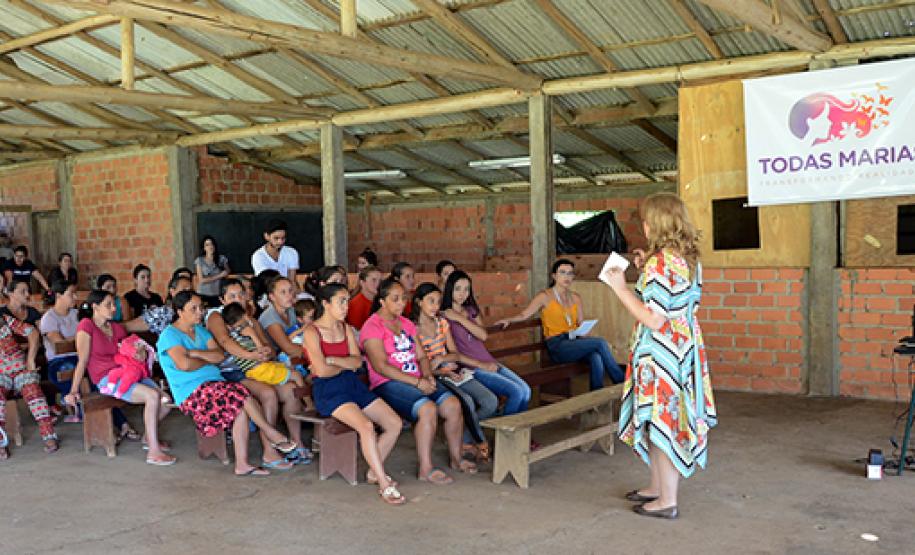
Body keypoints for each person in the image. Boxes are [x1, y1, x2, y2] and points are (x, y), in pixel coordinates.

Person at [602, 193, 717, 520]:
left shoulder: (661, 262)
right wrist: (643, 270)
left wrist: (620, 287)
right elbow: (670, 303)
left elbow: (653, 318)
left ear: (655, 223)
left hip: (661, 355)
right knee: (662, 419)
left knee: (662, 421)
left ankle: (667, 500)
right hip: (683, 349)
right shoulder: (687, 258)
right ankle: (657, 487)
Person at [158, 291, 298, 476]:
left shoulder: (200, 330)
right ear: (179, 311)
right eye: (194, 308)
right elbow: (184, 365)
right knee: (240, 394)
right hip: (192, 392)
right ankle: (271, 433)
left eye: (201, 308)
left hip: (216, 386)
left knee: (240, 407)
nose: (200, 312)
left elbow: (219, 356)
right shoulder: (170, 335)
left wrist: (196, 354)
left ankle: (242, 465)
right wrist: (202, 358)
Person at [302, 284, 405, 505]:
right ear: (325, 304)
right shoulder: (312, 332)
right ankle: (383, 483)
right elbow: (321, 371)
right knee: (366, 427)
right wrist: (340, 364)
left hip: (352, 385)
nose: (346, 306)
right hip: (329, 390)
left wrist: (332, 360)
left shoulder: (346, 328)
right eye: (341, 301)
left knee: (394, 423)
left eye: (347, 301)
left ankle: (372, 471)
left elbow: (357, 362)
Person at [360, 278, 468, 484]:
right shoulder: (372, 326)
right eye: (396, 299)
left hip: (417, 380)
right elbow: (381, 366)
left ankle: (457, 459)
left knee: (453, 405)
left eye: (404, 299)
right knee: (427, 408)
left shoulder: (407, 324)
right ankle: (425, 468)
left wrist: (427, 376)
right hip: (387, 383)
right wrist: (417, 383)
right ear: (382, 301)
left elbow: (421, 357)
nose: (402, 303)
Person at [65, 290, 174, 465]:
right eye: (108, 304)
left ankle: (148, 437)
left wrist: (139, 353)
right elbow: (83, 360)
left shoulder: (116, 328)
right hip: (108, 379)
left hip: (129, 372)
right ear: (95, 307)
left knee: (165, 400)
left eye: (113, 304)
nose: (113, 308)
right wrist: (73, 390)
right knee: (152, 396)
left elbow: (129, 349)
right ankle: (154, 451)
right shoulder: (86, 326)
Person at [205, 278, 299, 468]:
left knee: (291, 390)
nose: (237, 299)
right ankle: (270, 451)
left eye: (240, 294)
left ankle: (299, 443)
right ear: (222, 299)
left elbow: (270, 349)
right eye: (231, 296)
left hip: (253, 370)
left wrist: (264, 351)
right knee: (268, 394)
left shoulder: (250, 319)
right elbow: (225, 342)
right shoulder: (216, 316)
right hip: (229, 372)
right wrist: (251, 354)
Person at [496, 259, 624, 390]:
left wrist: (585, 332)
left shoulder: (575, 297)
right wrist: (509, 320)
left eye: (570, 273)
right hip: (557, 345)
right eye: (562, 272)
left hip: (573, 341)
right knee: (600, 342)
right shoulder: (544, 296)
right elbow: (524, 315)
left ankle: (596, 396)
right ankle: (621, 382)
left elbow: (580, 324)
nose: (566, 277)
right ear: (554, 276)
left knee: (596, 356)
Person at [412, 282, 494, 463]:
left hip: (453, 371)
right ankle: (480, 442)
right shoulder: (413, 329)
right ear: (419, 302)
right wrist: (443, 372)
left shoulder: (441, 323)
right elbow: (421, 365)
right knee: (467, 401)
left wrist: (442, 359)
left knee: (490, 400)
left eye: (438, 301)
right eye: (431, 301)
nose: (435, 306)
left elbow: (455, 353)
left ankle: (462, 435)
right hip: (435, 377)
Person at [441, 270, 531, 417]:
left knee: (526, 390)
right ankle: (508, 434)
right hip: (472, 368)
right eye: (458, 289)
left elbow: (483, 335)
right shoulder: (443, 316)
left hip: (489, 361)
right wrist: (453, 317)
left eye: (466, 289)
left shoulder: (470, 310)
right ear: (449, 289)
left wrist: (459, 318)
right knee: (516, 392)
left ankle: (518, 433)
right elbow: (453, 352)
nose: (462, 294)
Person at [256, 276, 309, 454]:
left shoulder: (292, 312)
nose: (289, 295)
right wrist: (313, 352)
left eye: (291, 291)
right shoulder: (269, 317)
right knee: (292, 390)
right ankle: (297, 441)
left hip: (291, 364)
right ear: (271, 296)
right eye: (283, 292)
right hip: (272, 366)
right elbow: (288, 348)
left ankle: (302, 438)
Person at [0, 308, 58, 458]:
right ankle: (1, 442)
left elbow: (32, 332)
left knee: (34, 393)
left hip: (21, 368)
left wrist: (31, 358)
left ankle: (49, 435)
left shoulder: (5, 319)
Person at [221, 302, 306, 389]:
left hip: (258, 369)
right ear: (245, 316)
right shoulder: (247, 333)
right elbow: (263, 356)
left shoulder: (234, 337)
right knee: (296, 375)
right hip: (259, 370)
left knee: (293, 367)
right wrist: (253, 334)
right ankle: (309, 402)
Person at [40, 280, 82, 423]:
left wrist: (73, 339)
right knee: (67, 369)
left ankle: (84, 406)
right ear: (59, 296)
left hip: (80, 357)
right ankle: (76, 404)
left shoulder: (77, 314)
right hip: (59, 361)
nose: (75, 297)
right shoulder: (49, 318)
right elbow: (59, 343)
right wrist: (80, 338)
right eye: (71, 294)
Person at [251, 219, 299, 285]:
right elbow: (265, 282)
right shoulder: (258, 256)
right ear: (266, 236)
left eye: (283, 238)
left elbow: (292, 280)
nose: (280, 242)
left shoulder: (291, 252)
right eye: (276, 238)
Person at [195, 236, 230, 308]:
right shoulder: (199, 260)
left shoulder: (221, 258)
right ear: (204, 248)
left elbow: (227, 271)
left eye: (211, 244)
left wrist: (224, 273)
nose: (210, 246)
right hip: (203, 293)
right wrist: (219, 276)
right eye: (207, 245)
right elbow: (201, 280)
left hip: (217, 293)